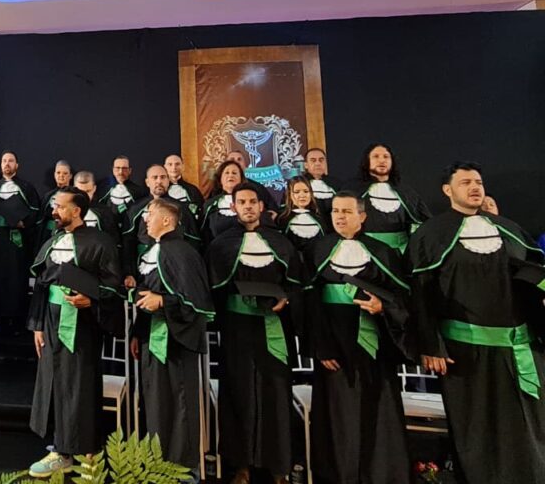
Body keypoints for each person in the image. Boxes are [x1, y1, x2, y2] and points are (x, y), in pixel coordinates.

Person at [409, 162, 545, 482]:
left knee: (527, 429)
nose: (474, 187)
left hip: (519, 349)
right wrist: (431, 345)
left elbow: (531, 276)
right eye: (466, 182)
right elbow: (420, 293)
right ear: (447, 190)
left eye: (478, 182)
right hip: (466, 353)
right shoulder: (431, 234)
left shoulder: (508, 228)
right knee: (478, 429)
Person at [304, 192, 411, 484]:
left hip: (374, 345)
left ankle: (379, 476)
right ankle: (340, 475)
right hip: (334, 343)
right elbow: (309, 301)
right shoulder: (317, 249)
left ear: (362, 216)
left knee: (378, 408)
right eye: (336, 211)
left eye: (347, 211)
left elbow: (402, 296)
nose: (340, 216)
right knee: (337, 413)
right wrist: (321, 346)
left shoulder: (383, 252)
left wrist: (383, 307)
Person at [206, 183, 302, 484]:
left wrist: (286, 298)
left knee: (276, 394)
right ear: (233, 207)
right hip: (236, 328)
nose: (247, 206)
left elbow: (296, 282)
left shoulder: (281, 242)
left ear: (261, 206)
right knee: (238, 394)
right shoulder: (221, 244)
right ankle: (241, 466)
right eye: (242, 202)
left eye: (252, 201)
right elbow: (214, 288)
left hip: (273, 327)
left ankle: (279, 467)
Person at [27, 188, 123, 478]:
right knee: (55, 382)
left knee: (80, 385)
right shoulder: (54, 240)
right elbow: (42, 284)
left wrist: (92, 301)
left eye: (60, 206)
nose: (54, 211)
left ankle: (88, 453)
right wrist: (38, 324)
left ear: (76, 211)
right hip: (52, 321)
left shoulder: (101, 242)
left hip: (84, 324)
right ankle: (61, 449)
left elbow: (113, 286)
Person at [130, 199, 214, 474]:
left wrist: (163, 302)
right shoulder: (154, 251)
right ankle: (157, 466)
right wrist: (137, 332)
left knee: (179, 406)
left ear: (166, 220)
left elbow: (198, 303)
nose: (145, 219)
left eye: (150, 214)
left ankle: (181, 470)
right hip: (152, 339)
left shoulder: (183, 253)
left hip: (177, 343)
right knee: (156, 404)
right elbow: (149, 291)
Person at [0, 151, 42, 335]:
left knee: (17, 280)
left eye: (11, 161)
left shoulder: (26, 187)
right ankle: (0, 321)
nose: (7, 164)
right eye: (4, 161)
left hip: (18, 242)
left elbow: (35, 211)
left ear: (17, 165)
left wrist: (23, 223)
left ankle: (18, 321)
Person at [122, 165, 199, 286]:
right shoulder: (135, 209)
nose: (159, 181)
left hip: (174, 266)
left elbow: (193, 241)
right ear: (147, 182)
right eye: (155, 177)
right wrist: (129, 273)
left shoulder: (180, 209)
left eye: (163, 177)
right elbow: (128, 242)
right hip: (143, 267)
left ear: (168, 181)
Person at [346, 143, 431, 252]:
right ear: (367, 161)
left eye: (386, 157)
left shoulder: (406, 191)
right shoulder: (353, 190)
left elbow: (422, 220)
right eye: (376, 156)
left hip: (401, 252)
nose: (382, 161)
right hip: (367, 251)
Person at [199, 160, 249, 241]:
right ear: (220, 179)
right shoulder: (210, 205)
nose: (231, 175)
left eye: (234, 173)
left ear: (241, 179)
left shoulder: (250, 201)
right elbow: (203, 234)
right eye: (227, 173)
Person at [276, 176, 327, 251]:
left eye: (306, 191)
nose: (302, 195)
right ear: (289, 194)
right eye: (297, 192)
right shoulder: (282, 218)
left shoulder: (319, 217)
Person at [72, 171, 122, 246]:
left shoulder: (104, 212)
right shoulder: (66, 210)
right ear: (74, 189)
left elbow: (113, 239)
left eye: (88, 191)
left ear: (94, 188)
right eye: (80, 191)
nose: (84, 195)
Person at [37, 160, 73, 243]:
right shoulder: (48, 196)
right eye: (58, 173)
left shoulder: (74, 195)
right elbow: (41, 218)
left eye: (65, 173)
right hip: (48, 234)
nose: (61, 176)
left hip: (67, 233)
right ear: (54, 174)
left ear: (70, 176)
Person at [164, 153, 206, 223]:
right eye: (170, 164)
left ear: (183, 166)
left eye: (177, 164)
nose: (174, 168)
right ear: (165, 167)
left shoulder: (193, 190)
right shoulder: (161, 191)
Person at [302, 148, 340, 214]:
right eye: (313, 160)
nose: (318, 163)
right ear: (306, 165)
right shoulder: (298, 183)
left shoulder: (335, 183)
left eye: (321, 160)